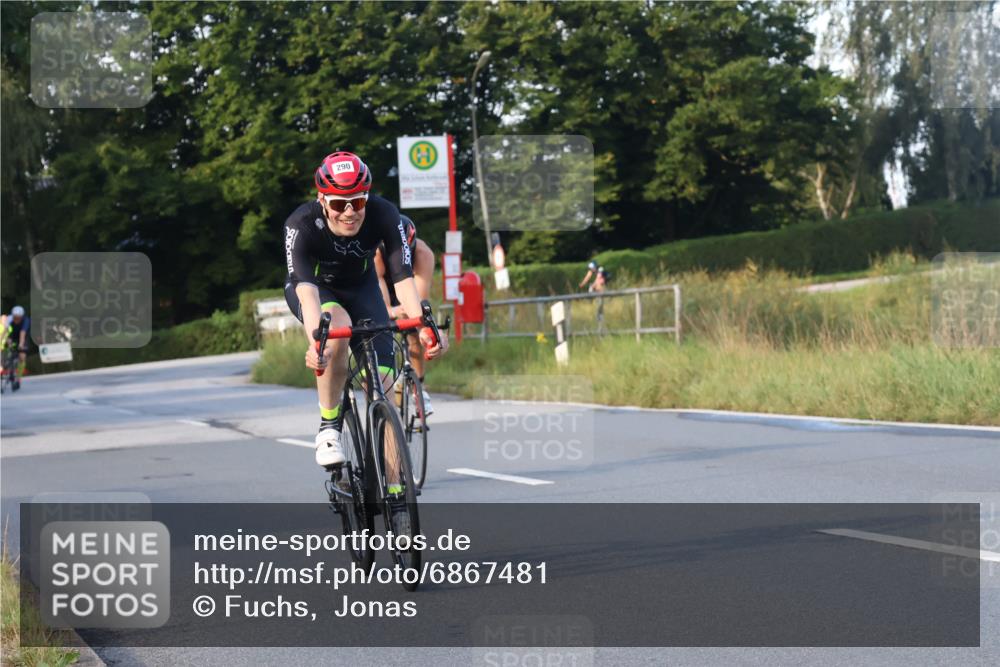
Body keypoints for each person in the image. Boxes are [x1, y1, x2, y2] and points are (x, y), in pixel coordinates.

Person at [283, 151, 448, 469]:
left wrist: (426, 326)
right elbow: (306, 292)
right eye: (338, 204)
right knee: (336, 332)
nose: (349, 212)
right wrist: (318, 342)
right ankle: (329, 426)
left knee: (384, 384)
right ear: (322, 200)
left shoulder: (384, 214)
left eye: (357, 203)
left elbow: (403, 281)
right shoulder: (301, 225)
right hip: (318, 290)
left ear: (366, 198)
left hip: (363, 288)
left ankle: (395, 486)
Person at [373, 214, 436, 415]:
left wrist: (413, 318)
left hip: (408, 287)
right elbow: (377, 284)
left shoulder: (424, 254)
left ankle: (420, 390)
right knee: (380, 327)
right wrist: (390, 311)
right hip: (382, 288)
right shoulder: (376, 253)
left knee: (415, 331)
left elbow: (420, 296)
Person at [1, 305, 30, 391]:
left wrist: (21, 344)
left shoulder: (26, 320)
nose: (16, 319)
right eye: (15, 317)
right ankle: (8, 363)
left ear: (21, 317)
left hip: (23, 337)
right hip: (13, 336)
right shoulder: (10, 318)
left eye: (18, 318)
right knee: (8, 345)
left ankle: (18, 378)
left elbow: (22, 333)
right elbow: (5, 331)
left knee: (22, 357)